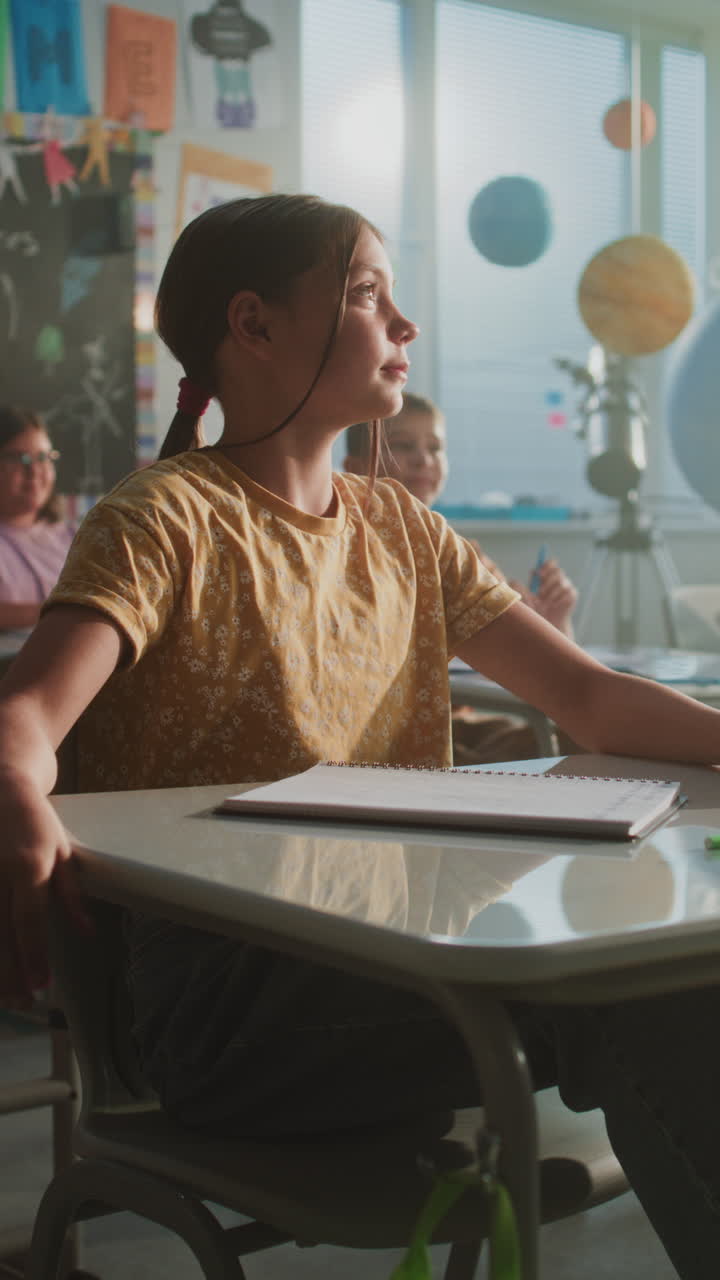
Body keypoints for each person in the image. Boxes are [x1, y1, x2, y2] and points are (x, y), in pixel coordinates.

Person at [1, 194, 720, 1279]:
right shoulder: (167, 516)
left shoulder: (403, 527)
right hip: (225, 1011)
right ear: (254, 325)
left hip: (413, 962)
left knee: (674, 973)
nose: (406, 326)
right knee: (652, 998)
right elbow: (26, 718)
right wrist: (14, 782)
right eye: (369, 294)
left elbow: (593, 699)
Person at [344, 394, 579, 762]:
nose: (424, 459)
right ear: (354, 467)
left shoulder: (464, 554)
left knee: (574, 741)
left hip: (461, 724)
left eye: (435, 448)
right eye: (405, 445)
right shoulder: (354, 556)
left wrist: (553, 623)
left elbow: (538, 669)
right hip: (397, 738)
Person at [0, 406, 75, 631]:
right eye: (18, 458)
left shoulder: (76, 535)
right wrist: (76, 611)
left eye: (43, 457)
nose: (34, 472)